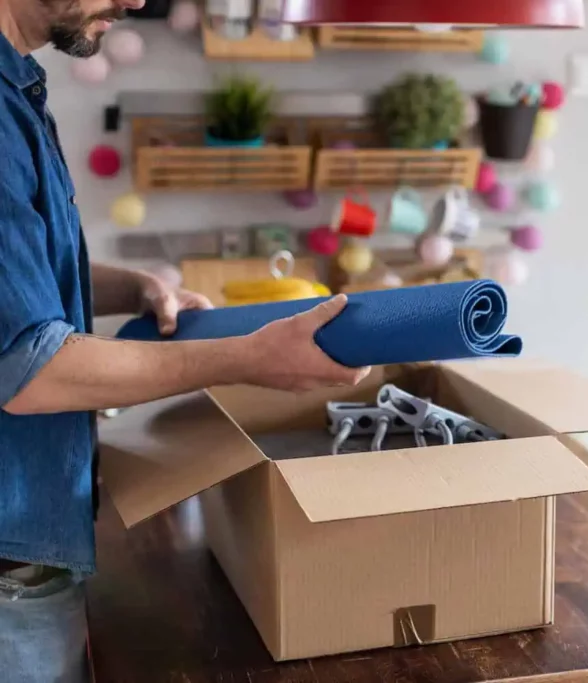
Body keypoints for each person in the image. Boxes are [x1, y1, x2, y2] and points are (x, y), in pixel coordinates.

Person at [0, 0, 368, 679]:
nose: (139, 0)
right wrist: (249, 358)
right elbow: (32, 371)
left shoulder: (18, 88)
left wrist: (132, 286)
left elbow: (24, 283)